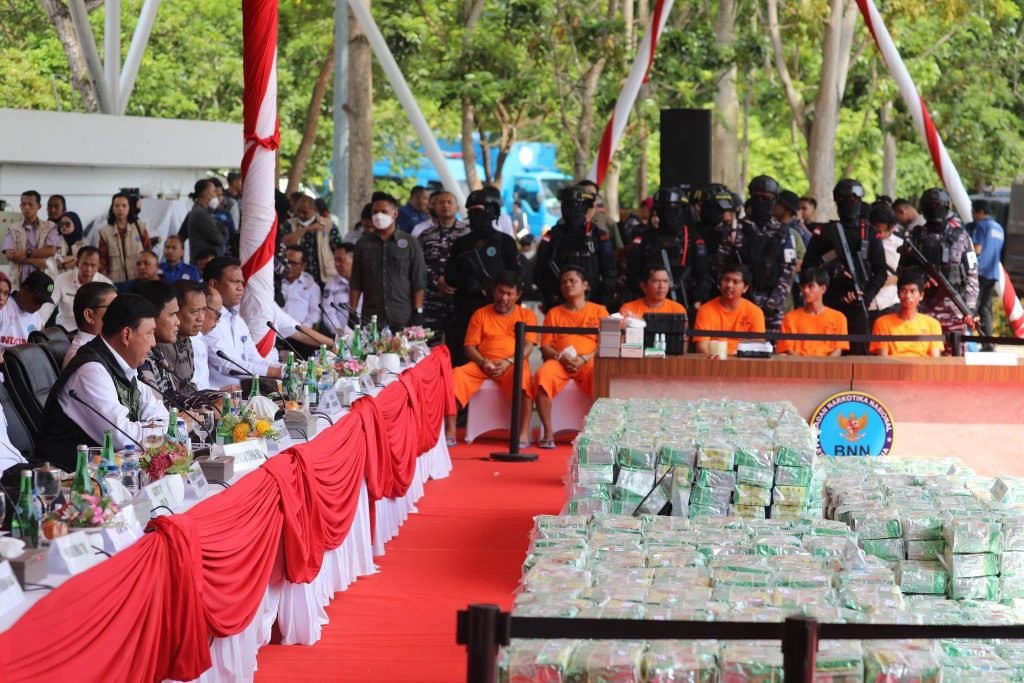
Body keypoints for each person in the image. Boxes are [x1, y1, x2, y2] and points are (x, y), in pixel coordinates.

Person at [38, 294, 170, 470]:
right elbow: (121, 437)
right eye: (149, 333)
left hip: (108, 472)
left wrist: (153, 428)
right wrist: (157, 429)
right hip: (71, 477)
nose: (153, 343)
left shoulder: (122, 365)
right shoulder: (91, 371)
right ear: (126, 335)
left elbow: (161, 414)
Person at [447, 271, 538, 447]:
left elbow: (528, 346)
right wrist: (483, 362)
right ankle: (450, 430)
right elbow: (469, 347)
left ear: (518, 295)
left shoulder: (527, 315)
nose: (503, 298)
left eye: (509, 294)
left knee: (525, 379)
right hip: (482, 364)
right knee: (456, 375)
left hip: (512, 364)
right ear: (494, 291)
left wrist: (509, 361)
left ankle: (523, 432)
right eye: (500, 292)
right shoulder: (480, 314)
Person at [802, 179, 887, 354]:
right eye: (846, 199)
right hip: (829, 304)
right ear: (837, 202)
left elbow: (880, 272)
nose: (851, 203)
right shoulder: (824, 232)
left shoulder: (870, 233)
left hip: (859, 304)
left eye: (855, 199)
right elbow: (808, 268)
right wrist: (829, 270)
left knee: (858, 358)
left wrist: (866, 295)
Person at [533, 267, 609, 448]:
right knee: (542, 376)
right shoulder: (553, 313)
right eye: (563, 282)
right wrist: (560, 356)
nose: (567, 285)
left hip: (589, 361)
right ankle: (548, 433)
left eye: (572, 281)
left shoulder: (599, 311)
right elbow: (545, 347)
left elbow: (607, 344)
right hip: (559, 362)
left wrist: (584, 358)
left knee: (602, 378)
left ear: (585, 285)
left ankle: (597, 435)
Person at [444, 190, 520, 365]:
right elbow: (449, 275)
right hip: (467, 310)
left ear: (492, 211)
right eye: (470, 211)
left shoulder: (506, 242)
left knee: (497, 356)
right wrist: (466, 282)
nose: (473, 216)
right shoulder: (461, 243)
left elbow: (517, 277)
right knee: (463, 362)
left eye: (477, 211)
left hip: (499, 311)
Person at [716, 175, 797, 331]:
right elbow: (721, 265)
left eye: (766, 198)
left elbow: (788, 272)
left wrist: (773, 303)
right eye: (757, 197)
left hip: (772, 307)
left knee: (772, 345)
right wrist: (736, 296)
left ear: (774, 200)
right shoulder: (735, 229)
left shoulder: (783, 232)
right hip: (738, 304)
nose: (761, 202)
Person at [896, 187, 979, 338]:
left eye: (939, 206)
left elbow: (972, 275)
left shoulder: (961, 237)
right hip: (922, 311)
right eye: (931, 206)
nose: (935, 210)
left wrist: (971, 307)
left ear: (946, 208)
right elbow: (901, 272)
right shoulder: (914, 237)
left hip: (955, 312)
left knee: (954, 352)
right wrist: (920, 277)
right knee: (922, 352)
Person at [533, 184, 617, 312]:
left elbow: (610, 274)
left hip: (592, 304)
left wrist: (602, 302)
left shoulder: (597, 236)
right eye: (564, 203)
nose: (567, 208)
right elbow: (539, 272)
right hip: (559, 306)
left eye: (573, 204)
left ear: (584, 206)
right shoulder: (553, 236)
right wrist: (553, 298)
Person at [349, 192, 427, 330]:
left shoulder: (410, 243)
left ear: (395, 214)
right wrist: (352, 312)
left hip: (403, 316)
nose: (379, 216)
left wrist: (418, 310)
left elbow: (418, 280)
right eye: (375, 212)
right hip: (371, 318)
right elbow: (356, 282)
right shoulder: (363, 244)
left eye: (384, 212)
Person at [204, 256, 283, 387]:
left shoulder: (238, 320)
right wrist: (275, 372)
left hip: (241, 393)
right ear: (213, 284)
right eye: (235, 281)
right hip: (215, 394)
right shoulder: (207, 318)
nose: (240, 287)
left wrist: (286, 368)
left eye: (242, 282)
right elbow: (225, 364)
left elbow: (254, 359)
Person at [626, 185, 710, 310]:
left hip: (685, 301)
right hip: (650, 302)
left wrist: (697, 300)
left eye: (671, 207)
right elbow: (633, 273)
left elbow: (703, 274)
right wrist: (644, 293)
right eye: (662, 207)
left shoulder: (692, 238)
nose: (667, 212)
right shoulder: (644, 238)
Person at [417, 191, 469, 340]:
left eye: (449, 202)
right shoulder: (425, 235)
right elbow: (418, 264)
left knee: (458, 343)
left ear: (457, 207)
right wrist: (436, 279)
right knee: (428, 344)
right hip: (432, 299)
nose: (445, 205)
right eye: (441, 202)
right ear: (435, 207)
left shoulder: (467, 233)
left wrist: (454, 282)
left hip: (459, 299)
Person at [692, 264, 767, 356]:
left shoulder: (755, 312)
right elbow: (701, 348)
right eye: (726, 280)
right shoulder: (706, 310)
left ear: (745, 288)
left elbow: (757, 348)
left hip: (744, 362)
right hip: (714, 362)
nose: (729, 285)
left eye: (735, 282)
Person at [776, 267, 849, 357]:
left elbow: (838, 350)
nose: (805, 290)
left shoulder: (838, 318)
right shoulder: (790, 318)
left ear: (823, 289)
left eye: (810, 286)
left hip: (828, 364)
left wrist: (823, 364)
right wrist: (806, 364)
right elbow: (788, 350)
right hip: (798, 363)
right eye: (803, 286)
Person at [870, 270, 943, 357]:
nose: (908, 296)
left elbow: (935, 361)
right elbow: (883, 361)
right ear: (898, 294)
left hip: (923, 366)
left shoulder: (933, 324)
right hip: (892, 365)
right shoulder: (882, 323)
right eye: (904, 291)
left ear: (921, 296)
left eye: (912, 291)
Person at [280, 194, 343, 286]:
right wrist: (306, 229)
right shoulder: (289, 224)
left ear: (314, 210)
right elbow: (284, 243)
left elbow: (338, 249)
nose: (301, 215)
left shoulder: (328, 224)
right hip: (296, 278)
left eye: (304, 212)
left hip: (323, 278)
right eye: (298, 211)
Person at [156, 281, 206, 394]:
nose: (201, 318)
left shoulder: (186, 338)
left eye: (204, 310)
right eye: (195, 311)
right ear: (177, 310)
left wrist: (213, 395)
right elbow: (173, 395)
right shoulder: (165, 344)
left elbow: (187, 386)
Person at [135, 280, 182, 399]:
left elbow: (175, 399)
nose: (178, 321)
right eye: (172, 314)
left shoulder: (155, 353)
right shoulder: (140, 359)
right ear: (150, 316)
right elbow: (160, 407)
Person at [969, 199, 1005, 349]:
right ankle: (988, 344)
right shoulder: (999, 228)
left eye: (973, 212)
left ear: (981, 212)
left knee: (972, 307)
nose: (972, 215)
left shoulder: (981, 225)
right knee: (986, 308)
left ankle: (969, 342)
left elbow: (977, 249)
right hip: (993, 272)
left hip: (980, 271)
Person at [3, 190, 60, 285]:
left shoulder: (50, 226)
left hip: (44, 278)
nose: (26, 207)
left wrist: (26, 253)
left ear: (39, 206)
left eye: (30, 204)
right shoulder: (12, 228)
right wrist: (36, 261)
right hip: (18, 280)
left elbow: (51, 251)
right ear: (20, 206)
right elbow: (10, 255)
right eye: (23, 204)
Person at [51, 245, 112, 332]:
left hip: (95, 333)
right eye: (85, 264)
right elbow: (47, 306)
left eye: (93, 265)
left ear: (99, 266)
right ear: (77, 263)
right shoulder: (61, 279)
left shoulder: (107, 284)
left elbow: (112, 314)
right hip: (65, 331)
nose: (88, 269)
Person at [98, 191, 152, 282]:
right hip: (116, 281)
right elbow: (103, 260)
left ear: (129, 207)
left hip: (138, 278)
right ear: (112, 208)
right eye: (117, 206)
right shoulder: (105, 232)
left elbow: (148, 252)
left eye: (124, 206)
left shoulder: (140, 227)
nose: (120, 209)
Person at [63, 281, 117, 368]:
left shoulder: (102, 346)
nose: (119, 313)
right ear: (89, 316)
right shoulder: (84, 359)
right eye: (112, 307)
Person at [868, 201, 903, 320]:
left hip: (891, 302)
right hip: (869, 302)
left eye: (886, 230)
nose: (882, 234)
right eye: (878, 230)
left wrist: (896, 279)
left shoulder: (900, 244)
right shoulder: (863, 243)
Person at [181, 179, 227, 265]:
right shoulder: (200, 214)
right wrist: (224, 231)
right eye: (214, 191)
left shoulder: (203, 212)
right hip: (204, 264)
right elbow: (219, 239)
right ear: (205, 194)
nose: (216, 195)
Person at [0, 271, 52, 347]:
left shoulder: (36, 318)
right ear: (25, 289)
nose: (38, 305)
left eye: (42, 302)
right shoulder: (3, 307)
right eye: (37, 300)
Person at [620, 264, 688, 319]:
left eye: (665, 281)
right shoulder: (629, 310)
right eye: (656, 281)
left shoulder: (678, 310)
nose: (662, 286)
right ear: (644, 286)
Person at [281, 246, 320, 328]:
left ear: (303, 265)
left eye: (294, 263)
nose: (288, 266)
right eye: (287, 261)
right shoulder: (275, 282)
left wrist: (303, 328)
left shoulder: (311, 286)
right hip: (275, 330)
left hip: (301, 330)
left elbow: (315, 312)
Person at [321, 243, 355, 334]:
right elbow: (328, 312)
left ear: (354, 259)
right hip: (340, 335)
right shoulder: (331, 285)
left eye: (340, 260)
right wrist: (340, 332)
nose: (336, 264)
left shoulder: (367, 282)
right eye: (335, 260)